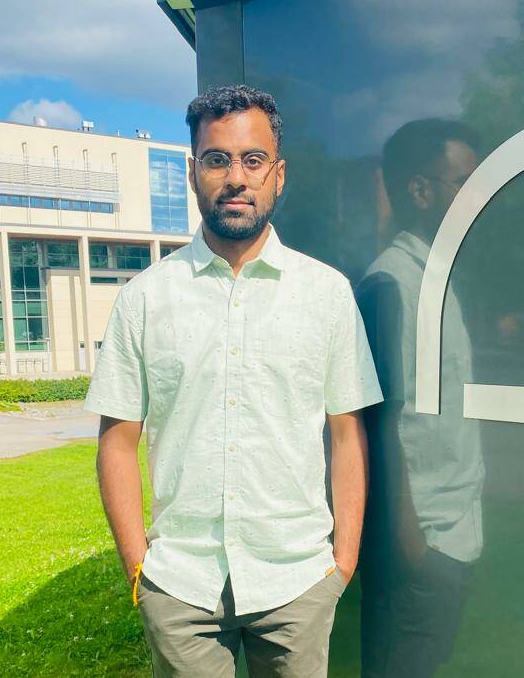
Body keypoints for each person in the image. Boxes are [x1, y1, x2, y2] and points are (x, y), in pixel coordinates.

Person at [85, 84, 383, 678]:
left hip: (297, 580)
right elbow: (116, 441)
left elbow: (346, 432)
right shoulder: (144, 299)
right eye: (217, 159)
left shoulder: (325, 294)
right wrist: (138, 568)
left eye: (253, 160)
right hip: (181, 586)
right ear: (194, 172)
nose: (236, 177)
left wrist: (341, 562)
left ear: (278, 174)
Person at [357, 119, 484, 678]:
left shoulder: (437, 278)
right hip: (421, 543)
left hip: (452, 532)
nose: (476, 198)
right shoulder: (392, 285)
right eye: (464, 182)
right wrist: (411, 547)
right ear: (421, 190)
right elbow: (378, 425)